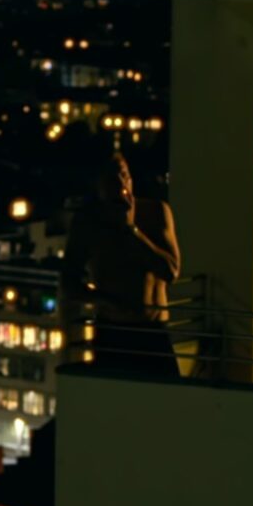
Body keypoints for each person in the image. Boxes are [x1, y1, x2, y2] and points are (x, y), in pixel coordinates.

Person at [65, 151, 181, 376]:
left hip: (153, 331)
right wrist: (105, 300)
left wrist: (131, 230)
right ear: (98, 186)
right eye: (112, 179)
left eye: (124, 175)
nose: (121, 184)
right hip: (112, 330)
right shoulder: (88, 223)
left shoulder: (155, 212)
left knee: (167, 394)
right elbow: (68, 283)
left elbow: (171, 271)